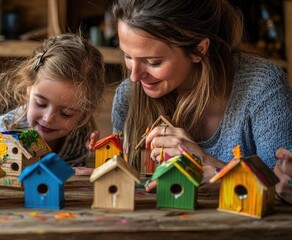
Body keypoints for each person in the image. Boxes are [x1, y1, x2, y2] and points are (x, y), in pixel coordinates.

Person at [110, 0, 292, 190]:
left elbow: (281, 186)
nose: (134, 76)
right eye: (128, 56)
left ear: (198, 49)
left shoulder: (262, 86)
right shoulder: (128, 97)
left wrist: (205, 162)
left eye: (153, 62)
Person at [0, 33, 105, 167]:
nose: (48, 118)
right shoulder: (4, 129)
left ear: (85, 112)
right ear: (28, 89)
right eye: (41, 104)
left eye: (66, 113)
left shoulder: (78, 136)